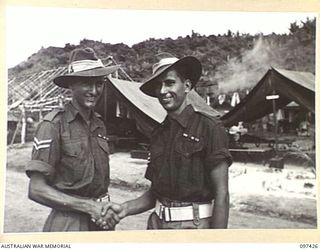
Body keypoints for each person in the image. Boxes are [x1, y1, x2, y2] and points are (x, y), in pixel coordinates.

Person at [101, 53, 233, 229]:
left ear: (186, 86)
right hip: (157, 224)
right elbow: (156, 193)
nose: (163, 91)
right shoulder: (159, 133)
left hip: (193, 228)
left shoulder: (210, 127)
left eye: (169, 82)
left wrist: (217, 242)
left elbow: (222, 194)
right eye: (158, 85)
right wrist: (124, 209)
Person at [25, 47, 121, 231]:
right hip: (69, 220)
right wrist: (88, 206)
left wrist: (99, 208)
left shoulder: (99, 123)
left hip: (101, 218)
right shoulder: (53, 125)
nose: (94, 91)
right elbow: (36, 189)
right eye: (86, 83)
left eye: (99, 83)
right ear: (71, 85)